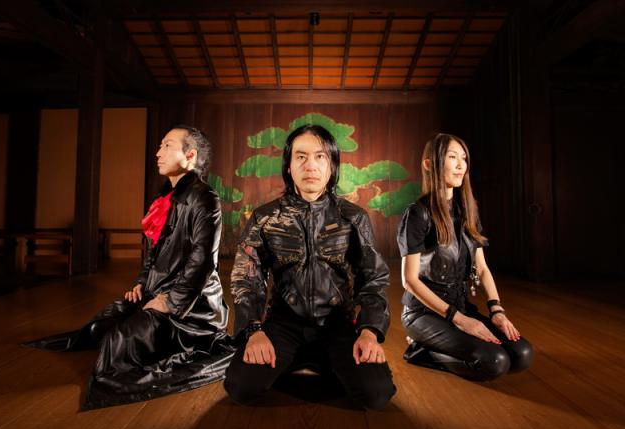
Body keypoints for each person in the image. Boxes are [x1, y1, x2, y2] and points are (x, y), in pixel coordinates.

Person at [26, 125, 235, 409]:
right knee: (104, 322)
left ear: (190, 155)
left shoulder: (204, 197)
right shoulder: (165, 198)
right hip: (157, 291)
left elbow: (203, 259)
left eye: (167, 145)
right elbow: (153, 251)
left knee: (120, 340)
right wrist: (141, 283)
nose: (158, 152)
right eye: (159, 146)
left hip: (193, 309)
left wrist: (172, 302)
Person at [223, 124, 396, 410]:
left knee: (376, 393)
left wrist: (369, 332)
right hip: (284, 324)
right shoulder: (265, 217)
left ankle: (317, 362)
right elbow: (246, 279)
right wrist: (254, 332)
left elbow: (373, 278)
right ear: (288, 166)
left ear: (332, 166)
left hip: (336, 325)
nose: (310, 165)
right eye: (301, 157)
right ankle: (305, 363)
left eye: (320, 157)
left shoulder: (353, 217)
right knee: (242, 387)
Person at [398, 133, 533, 381]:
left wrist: (497, 311)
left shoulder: (469, 210)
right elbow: (410, 281)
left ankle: (446, 340)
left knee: (521, 354)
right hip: (424, 313)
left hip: (460, 306)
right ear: (429, 164)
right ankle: (421, 350)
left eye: (464, 158)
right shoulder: (417, 214)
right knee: (495, 362)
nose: (461, 165)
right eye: (452, 157)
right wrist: (460, 320)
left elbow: (482, 268)